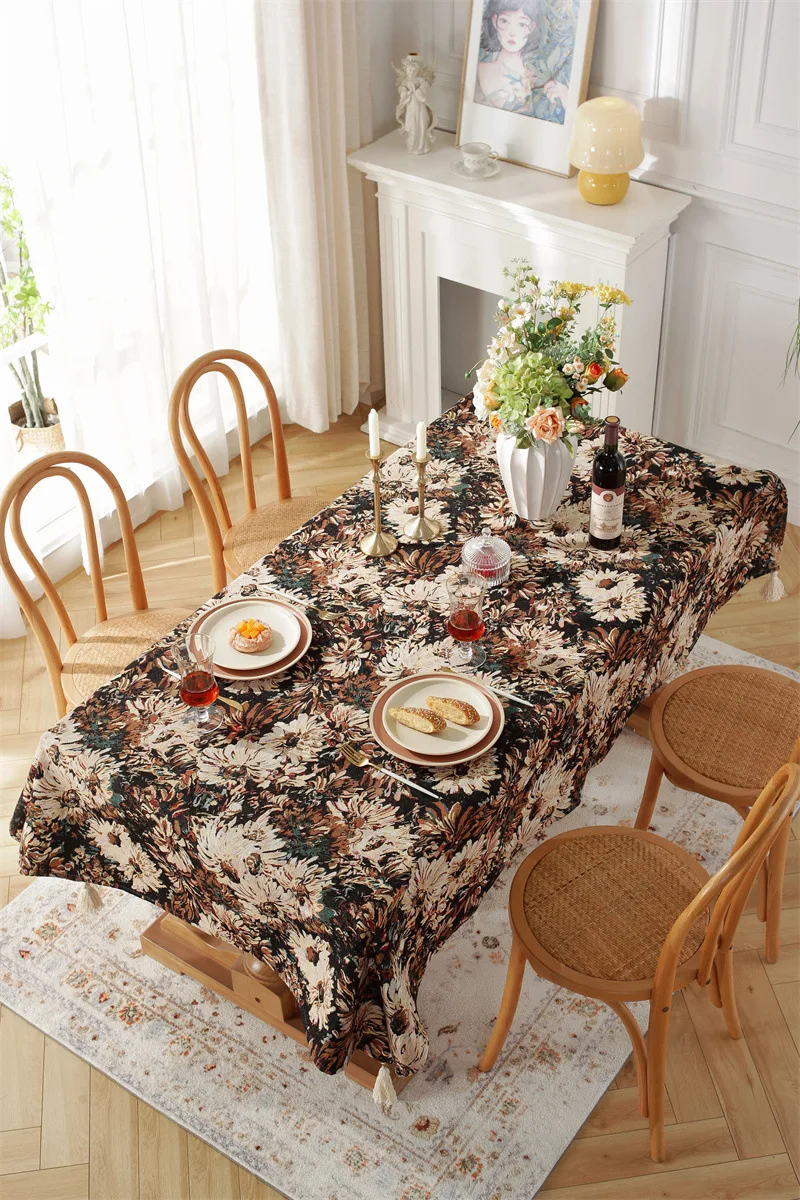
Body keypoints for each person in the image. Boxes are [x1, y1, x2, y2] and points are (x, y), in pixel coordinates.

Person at [475, 0, 573, 125]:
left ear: (532, 27)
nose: (512, 32)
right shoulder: (480, 68)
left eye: (521, 24)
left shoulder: (540, 76)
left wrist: (566, 98)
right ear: (494, 20)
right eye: (504, 21)